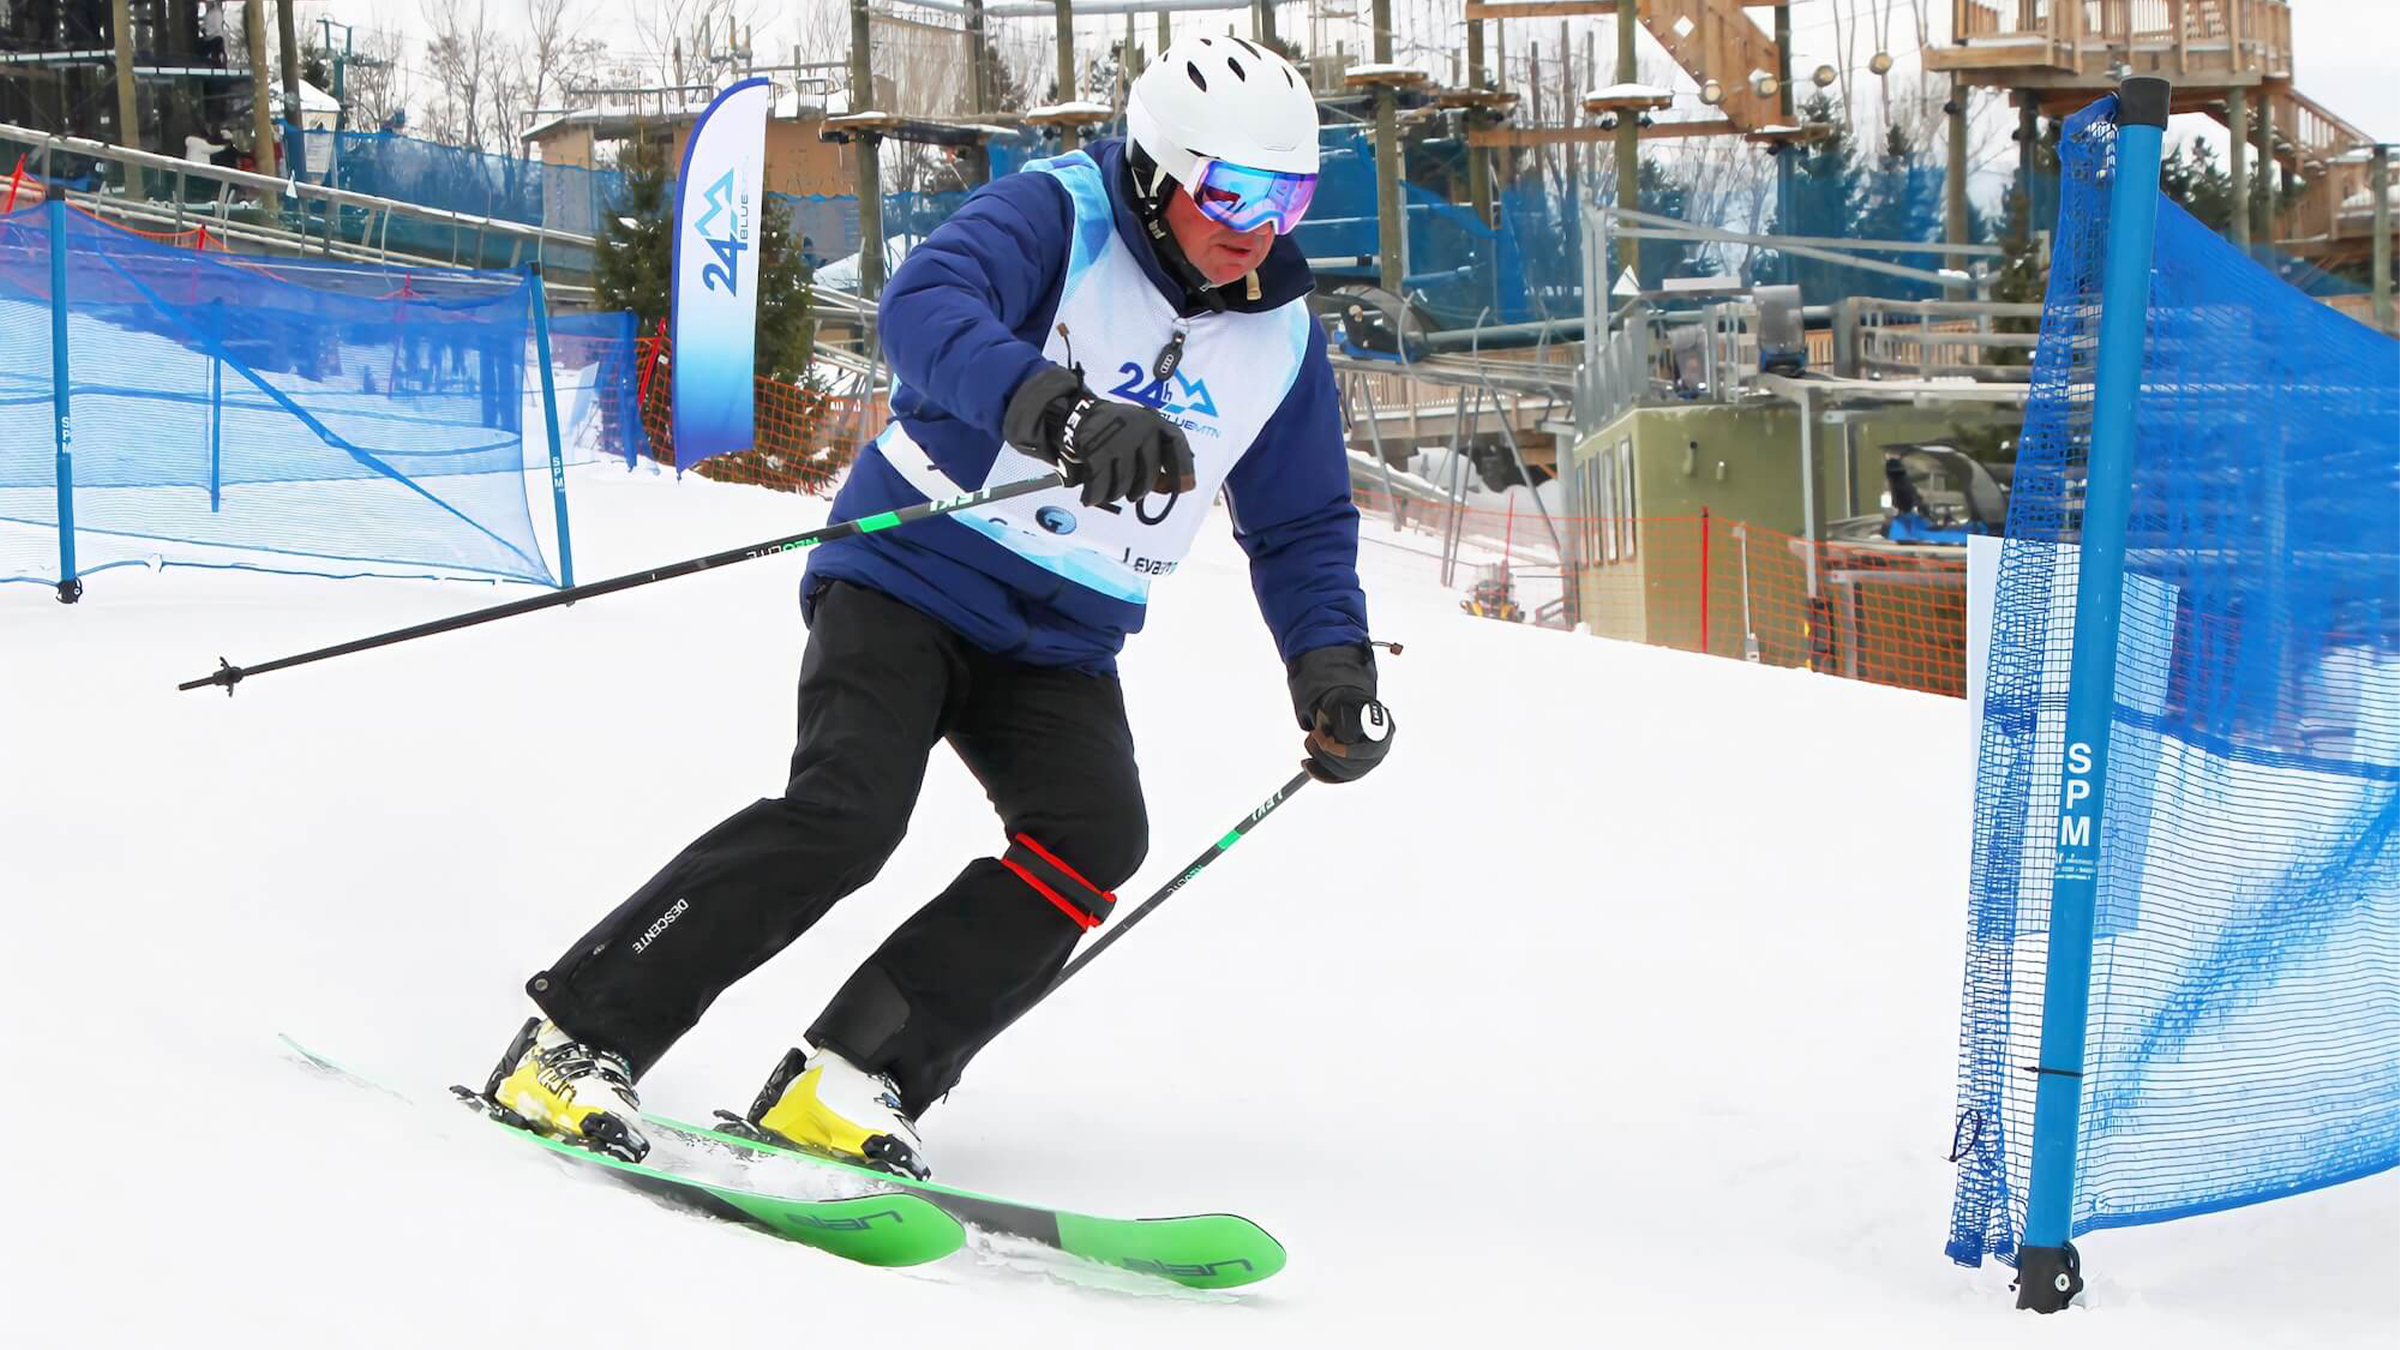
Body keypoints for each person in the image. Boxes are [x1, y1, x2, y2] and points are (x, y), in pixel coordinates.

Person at [483, 37, 1394, 1178]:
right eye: (1231, 189)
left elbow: (1304, 522)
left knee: (1092, 839)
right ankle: (576, 1041)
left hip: (1062, 635)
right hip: (911, 568)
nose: (1257, 223)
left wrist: (1333, 668)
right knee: (848, 814)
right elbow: (922, 309)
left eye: (1290, 196)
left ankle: (857, 1075)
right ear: (1159, 170)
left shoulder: (1281, 334)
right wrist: (1055, 411)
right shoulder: (1055, 216)